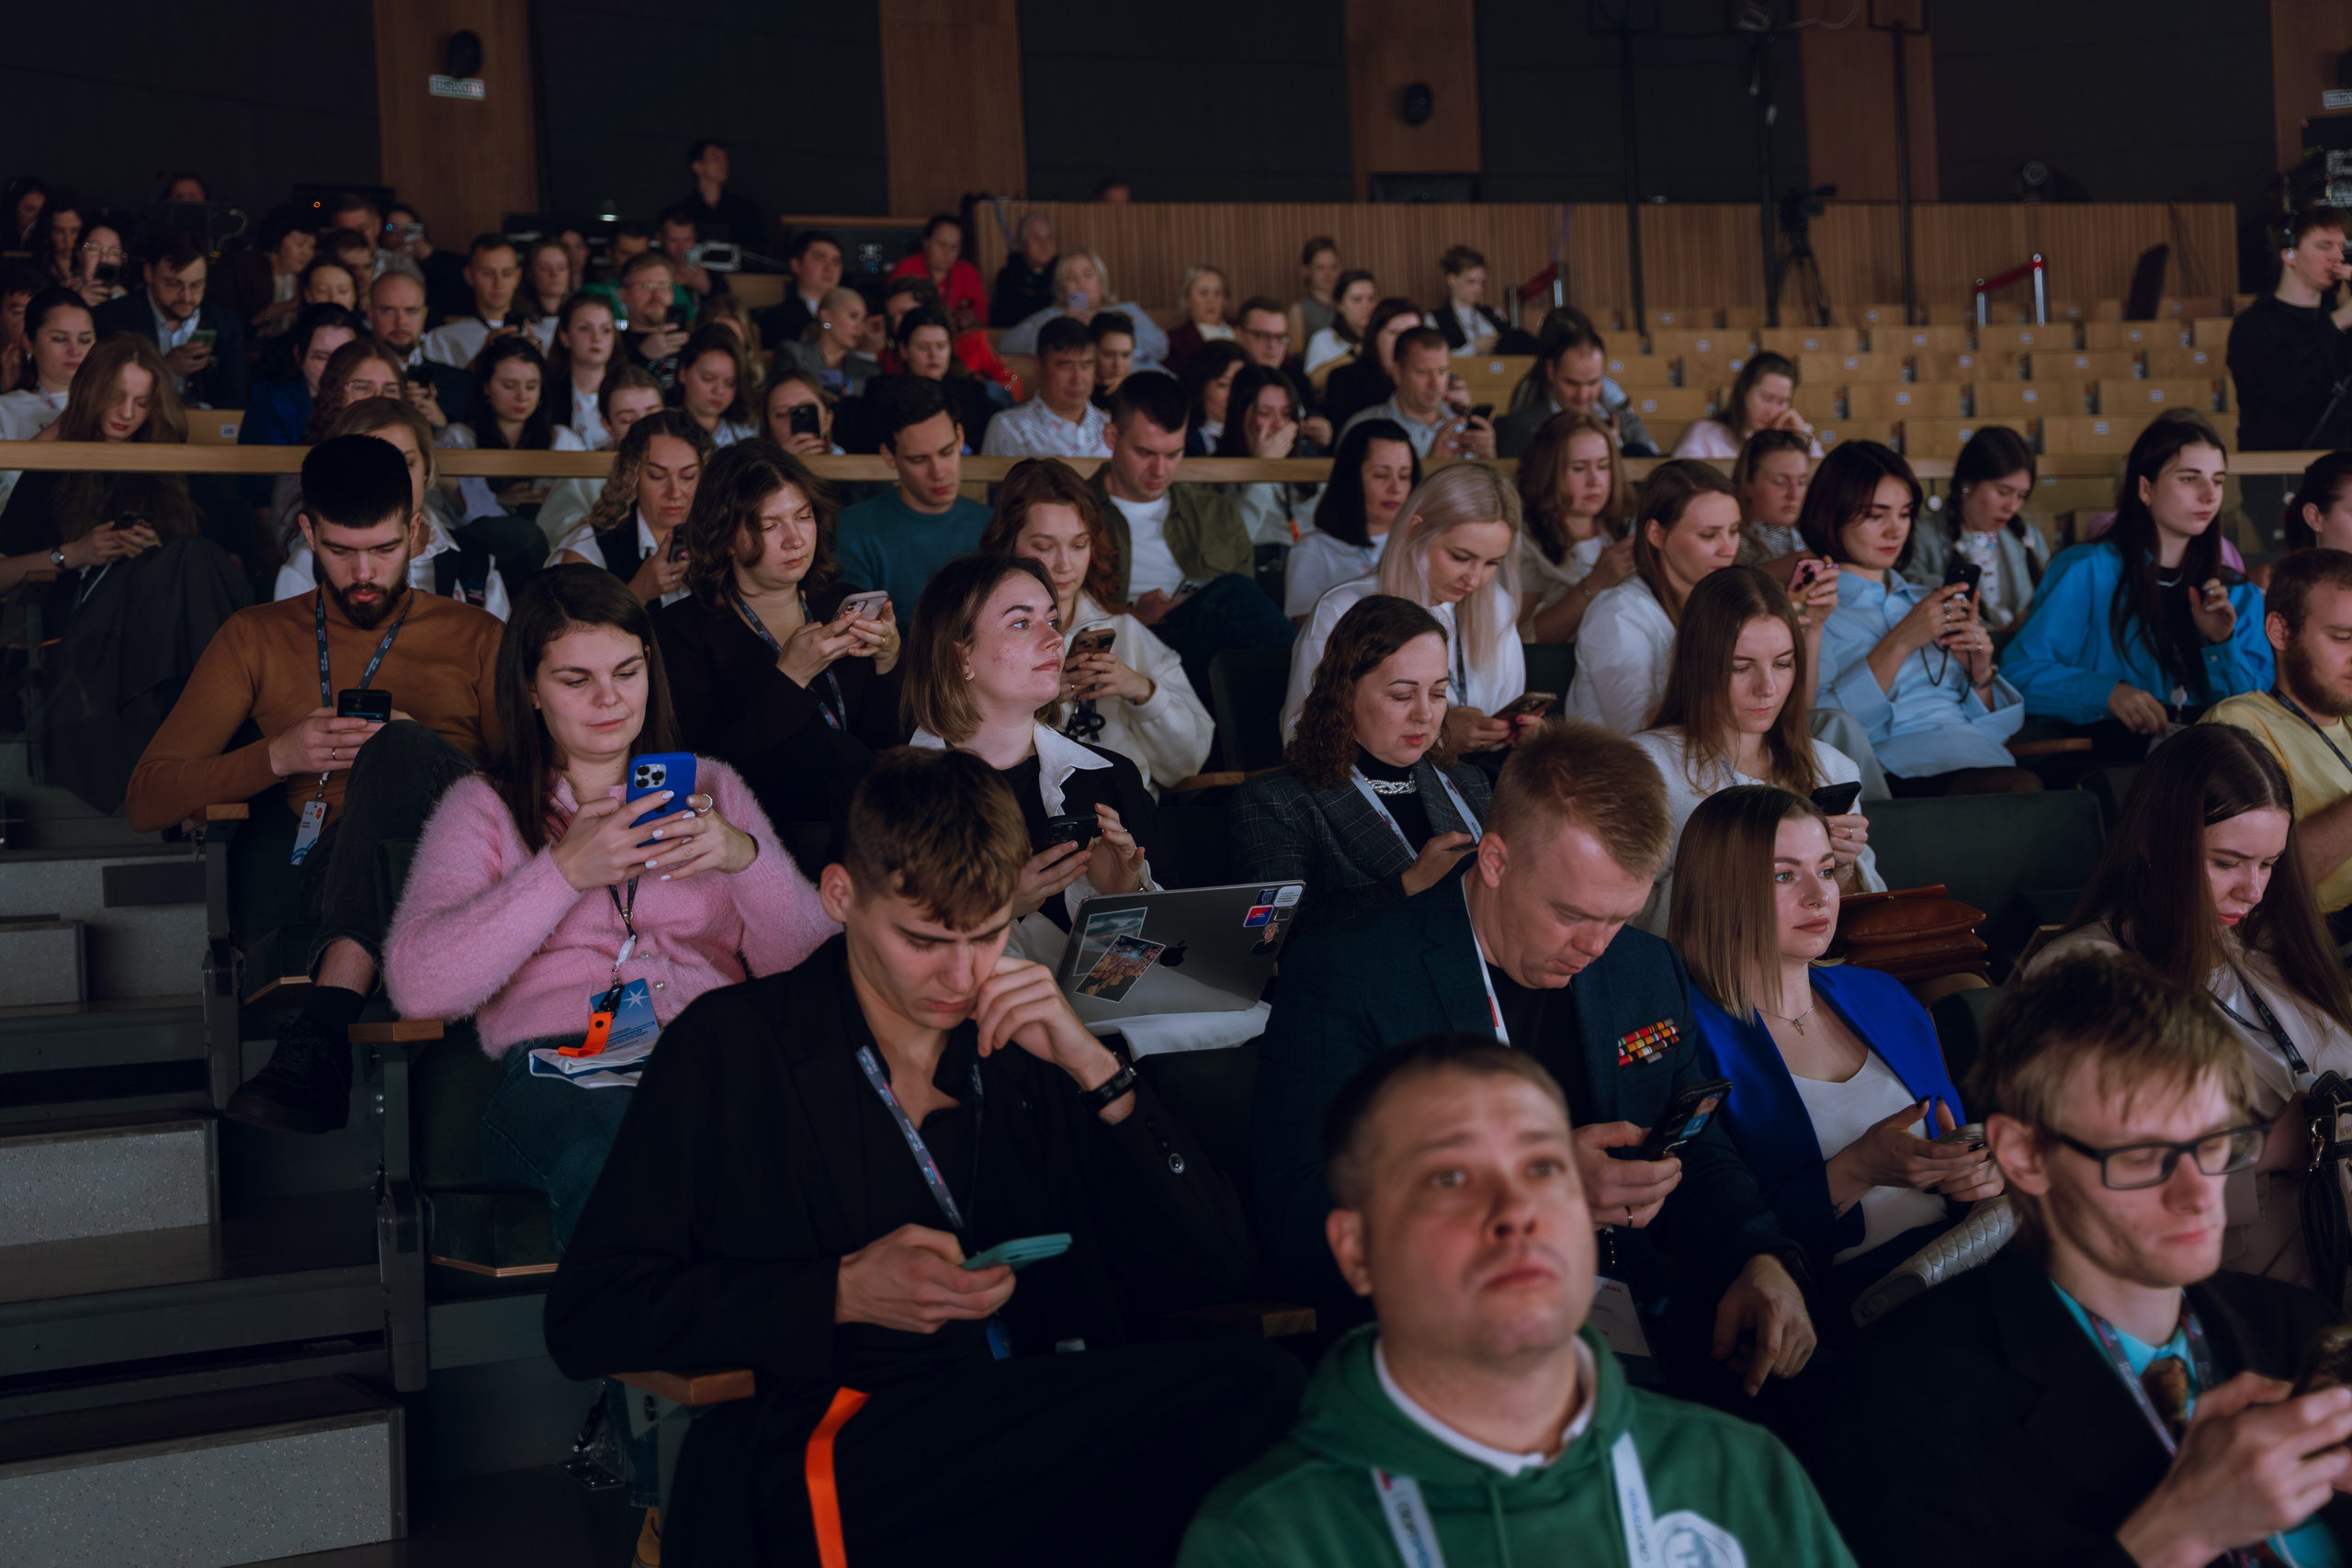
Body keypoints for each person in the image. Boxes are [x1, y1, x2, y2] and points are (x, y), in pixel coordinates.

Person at [543, 742, 1297, 1563]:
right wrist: (839, 1292)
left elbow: (1219, 1263)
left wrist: (1095, 1069)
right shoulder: (734, 1050)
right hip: (842, 1432)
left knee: (1260, 1388)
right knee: (1234, 1408)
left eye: (986, 935)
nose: (963, 972)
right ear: (841, 895)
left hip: (1027, 1416)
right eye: (926, 939)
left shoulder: (1025, 1045)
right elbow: (592, 1315)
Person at [1254, 724, 1819, 1391]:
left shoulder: (1645, 967)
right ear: (1494, 860)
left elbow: (1690, 1147)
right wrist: (1529, 1186)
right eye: (1572, 913)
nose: (1597, 946)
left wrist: (1756, 1257)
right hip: (1449, 1340)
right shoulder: (1349, 974)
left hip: (1637, 1316)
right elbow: (1299, 1219)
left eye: (1619, 917)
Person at [1182, 1032, 1853, 1568]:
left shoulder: (1740, 1470)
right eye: (1450, 1177)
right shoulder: (1267, 1540)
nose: (1516, 1213)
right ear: (1358, 1249)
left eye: (1543, 1167)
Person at [1826, 953, 2352, 1568]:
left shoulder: (2295, 1324)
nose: (2198, 1192)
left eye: (2215, 1143)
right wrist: (2178, 1528)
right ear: (2024, 1156)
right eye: (2143, 1155)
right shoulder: (1905, 1397)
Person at [384, 560, 831, 1238]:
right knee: (626, 1144)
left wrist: (744, 858)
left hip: (712, 1047)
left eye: (627, 672)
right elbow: (419, 985)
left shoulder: (713, 785)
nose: (610, 699)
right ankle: (667, 1340)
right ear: (531, 689)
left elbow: (809, 963)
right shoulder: (484, 806)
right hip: (564, 1069)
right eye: (576, 679)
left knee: (817, 1125)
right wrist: (562, 872)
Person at [126, 436, 504, 1134]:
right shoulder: (255, 637)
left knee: (403, 745)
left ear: (416, 529)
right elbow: (147, 795)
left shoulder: (477, 635)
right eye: (340, 550)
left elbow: (536, 789)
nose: (364, 573)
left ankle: (321, 1034)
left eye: (385, 549)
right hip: (337, 870)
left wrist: (415, 752)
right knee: (375, 827)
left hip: (474, 860)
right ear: (307, 532)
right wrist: (275, 755)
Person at [2030, 724, 2352, 1296]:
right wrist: (2269, 1151)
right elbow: (2089, 1186)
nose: (2253, 891)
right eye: (2228, 863)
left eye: (2269, 864)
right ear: (2153, 843)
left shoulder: (2266, 949)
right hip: (2237, 1289)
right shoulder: (2081, 975)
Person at [1675, 785, 1984, 1323]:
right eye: (1783, 875)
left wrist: (1979, 1174)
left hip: (1973, 1249)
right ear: (1722, 890)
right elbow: (1713, 1235)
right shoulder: (1689, 1037)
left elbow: (1959, 1131)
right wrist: (1858, 1168)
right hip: (1854, 1303)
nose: (1821, 897)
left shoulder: (1880, 993)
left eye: (1826, 869)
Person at [0, 334, 255, 809]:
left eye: (141, 402)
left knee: (190, 558)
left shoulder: (174, 465)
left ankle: (195, 753)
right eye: (116, 398)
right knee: (190, 557)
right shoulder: (53, 465)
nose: (127, 413)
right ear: (91, 392)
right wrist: (75, 553)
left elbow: (232, 567)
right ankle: (225, 747)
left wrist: (157, 554)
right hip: (90, 641)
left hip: (163, 640)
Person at [903, 555, 1157, 963]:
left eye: (1053, 621)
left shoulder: (1113, 775)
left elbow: (1151, 966)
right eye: (1022, 623)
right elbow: (871, 955)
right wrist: (994, 909)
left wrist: (1123, 894)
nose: (1056, 638)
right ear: (960, 658)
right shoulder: (887, 794)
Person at [654, 440, 900, 861]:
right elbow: (707, 769)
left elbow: (885, 743)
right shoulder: (680, 630)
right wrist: (790, 678)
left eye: (803, 517)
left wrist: (888, 659)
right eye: (770, 526)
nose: (794, 540)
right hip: (754, 833)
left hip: (862, 824)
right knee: (829, 750)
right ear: (726, 536)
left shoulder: (843, 602)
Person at [2007, 412, 2272, 756]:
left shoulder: (2238, 592)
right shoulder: (2086, 569)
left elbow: (2258, 718)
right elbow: (2019, 674)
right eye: (2190, 479)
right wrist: (2108, 693)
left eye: (2218, 480)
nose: (2210, 495)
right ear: (2146, 488)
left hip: (2215, 762)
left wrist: (2221, 643)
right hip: (2114, 754)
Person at [1634, 567, 1880, 933]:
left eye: (1782, 664)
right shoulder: (1646, 767)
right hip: (1694, 978)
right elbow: (1622, 919)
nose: (1767, 687)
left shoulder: (1833, 768)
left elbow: (1869, 918)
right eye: (1740, 667)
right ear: (1699, 666)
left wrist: (1840, 868)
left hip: (1813, 975)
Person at [1236, 594, 1490, 934]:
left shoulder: (1470, 782)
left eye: (1438, 693)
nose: (1425, 714)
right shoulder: (1277, 801)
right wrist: (1406, 888)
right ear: (1346, 695)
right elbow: (1272, 938)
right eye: (1402, 696)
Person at [1804, 440, 2037, 793]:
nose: (1895, 530)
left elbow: (1996, 727)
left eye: (1904, 513)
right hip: (1889, 773)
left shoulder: (1929, 598)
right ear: (1831, 513)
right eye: (1875, 514)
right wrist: (1900, 642)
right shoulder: (1813, 613)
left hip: (1980, 757)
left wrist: (1979, 671)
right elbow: (1821, 728)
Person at [978, 457, 1213, 794]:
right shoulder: (982, 634)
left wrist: (1142, 691)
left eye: (1078, 545)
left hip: (1127, 820)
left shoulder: (1125, 630)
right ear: (1008, 543)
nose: (1063, 565)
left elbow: (1189, 764)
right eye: (1043, 546)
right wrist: (1045, 697)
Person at [1084, 372, 1297, 696]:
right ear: (1112, 437)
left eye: (1173, 455)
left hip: (1204, 655)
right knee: (1234, 594)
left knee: (1239, 613)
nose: (1160, 471)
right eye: (1145, 453)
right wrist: (1135, 614)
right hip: (1125, 644)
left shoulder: (1217, 513)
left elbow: (1250, 619)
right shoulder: (1076, 511)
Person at [1285, 462, 1526, 749]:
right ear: (1415, 530)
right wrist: (1440, 736)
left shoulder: (1498, 606)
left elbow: (1507, 708)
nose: (1474, 578)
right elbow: (1302, 737)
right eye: (1460, 556)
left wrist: (1512, 732)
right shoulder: (1343, 609)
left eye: (1492, 563)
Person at [2203, 548, 2352, 932]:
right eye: (2341, 637)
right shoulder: (2237, 725)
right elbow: (2258, 880)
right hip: (2304, 940)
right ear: (2280, 632)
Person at [273, 396, 510, 619]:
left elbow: (499, 652)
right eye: (372, 464)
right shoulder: (308, 565)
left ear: (427, 466)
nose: (394, 479)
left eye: (406, 463)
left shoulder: (474, 559)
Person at [1565, 461, 1744, 734]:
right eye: (1709, 535)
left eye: (1734, 531)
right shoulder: (1617, 614)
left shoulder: (1726, 602)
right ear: (1657, 535)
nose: (1728, 549)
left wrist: (1809, 628)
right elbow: (1639, 734)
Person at [834, 376, 994, 612]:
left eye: (946, 451)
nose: (938, 472)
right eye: (918, 459)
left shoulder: (994, 525)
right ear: (889, 456)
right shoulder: (854, 530)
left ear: (960, 437)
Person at [550, 411, 713, 606]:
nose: (675, 492)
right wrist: (638, 591)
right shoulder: (590, 547)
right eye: (657, 476)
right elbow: (571, 631)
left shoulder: (720, 536)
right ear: (632, 475)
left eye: (688, 476)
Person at [1900, 424, 2052, 632]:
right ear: (1966, 485)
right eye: (2002, 492)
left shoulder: (2028, 535)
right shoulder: (1919, 538)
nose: (2012, 506)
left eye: (2022, 495)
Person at [2229, 206, 2352, 456]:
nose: (2338, 256)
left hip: (2341, 473)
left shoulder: (2340, 313)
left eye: (2342, 247)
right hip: (2278, 477)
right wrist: (2338, 321)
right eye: (2324, 246)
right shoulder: (2253, 324)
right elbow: (2280, 384)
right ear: (2289, 253)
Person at [436, 336, 586, 536]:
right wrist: (500, 500)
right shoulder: (458, 438)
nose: (523, 396)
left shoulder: (563, 439)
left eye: (532, 386)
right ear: (486, 386)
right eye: (509, 385)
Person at [1283, 418, 1419, 622]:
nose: (1396, 488)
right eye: (1381, 475)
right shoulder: (1313, 549)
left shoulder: (1421, 543)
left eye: (1404, 475)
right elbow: (1310, 636)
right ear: (1351, 477)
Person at [91, 231, 246, 408]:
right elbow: (105, 393)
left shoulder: (224, 321)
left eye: (196, 285)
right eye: (174, 284)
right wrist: (165, 369)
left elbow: (234, 400)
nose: (186, 297)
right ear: (149, 273)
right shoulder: (114, 318)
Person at [1516, 410, 1634, 643]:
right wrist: (1595, 583)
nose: (1595, 481)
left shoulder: (1624, 526)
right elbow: (1523, 638)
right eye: (1579, 468)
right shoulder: (1525, 542)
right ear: (1548, 472)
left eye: (1603, 466)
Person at [1496, 324, 1659, 459]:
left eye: (1593, 382)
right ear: (1551, 371)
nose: (1583, 394)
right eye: (1572, 383)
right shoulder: (1523, 427)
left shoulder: (1624, 422)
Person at [1336, 326, 1497, 462]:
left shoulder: (1464, 425)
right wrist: (1431, 466)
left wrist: (1489, 457)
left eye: (1442, 372)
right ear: (1398, 372)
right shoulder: (1363, 428)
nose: (1435, 384)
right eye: (1423, 373)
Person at [996, 250, 1170, 369]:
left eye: (1088, 275)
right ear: (1060, 289)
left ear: (1101, 281)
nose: (1081, 283)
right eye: (1071, 278)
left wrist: (1110, 327)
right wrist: (1059, 326)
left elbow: (1162, 347)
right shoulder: (1052, 315)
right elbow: (1006, 343)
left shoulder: (1126, 311)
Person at [1215, 363, 1324, 548]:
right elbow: (1230, 547)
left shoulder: (1312, 476)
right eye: (1265, 413)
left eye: (1287, 413)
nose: (1279, 424)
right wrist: (1263, 469)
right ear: (1239, 417)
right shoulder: (1208, 478)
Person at [237, 304, 358, 448]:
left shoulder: (371, 396)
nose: (334, 366)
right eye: (321, 357)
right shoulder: (270, 403)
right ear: (299, 356)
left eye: (344, 357)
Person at [365, 269, 472, 429]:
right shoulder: (353, 379)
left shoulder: (459, 384)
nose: (400, 322)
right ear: (370, 314)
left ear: (424, 314)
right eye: (388, 310)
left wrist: (441, 425)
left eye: (410, 311)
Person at [1671, 352, 1817, 460]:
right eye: (1767, 398)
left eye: (1782, 401)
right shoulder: (1703, 435)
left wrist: (1801, 438)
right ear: (1744, 392)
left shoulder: (1790, 440)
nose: (1773, 411)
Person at [892, 304, 998, 447]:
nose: (933, 355)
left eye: (941, 346)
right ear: (903, 350)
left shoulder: (974, 394)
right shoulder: (886, 396)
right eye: (923, 347)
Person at [420, 234, 526, 371]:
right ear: (469, 275)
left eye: (507, 274)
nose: (498, 284)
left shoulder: (540, 337)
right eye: (487, 273)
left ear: (518, 276)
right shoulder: (442, 339)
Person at [0, 287, 91, 442]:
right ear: (29, 342)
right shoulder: (5, 409)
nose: (75, 351)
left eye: (85, 340)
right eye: (60, 339)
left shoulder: (119, 406)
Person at [1323, 298, 1422, 432]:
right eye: (1396, 333)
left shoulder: (1433, 379)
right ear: (1375, 334)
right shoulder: (1344, 379)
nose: (1404, 342)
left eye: (1412, 334)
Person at [221, 206, 317, 338]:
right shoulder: (244, 269)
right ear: (277, 240)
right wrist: (288, 306)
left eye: (312, 247)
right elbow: (255, 319)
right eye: (300, 244)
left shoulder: (306, 276)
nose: (307, 253)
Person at [775, 286, 878, 403]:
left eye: (863, 320)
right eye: (853, 316)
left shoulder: (869, 371)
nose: (860, 327)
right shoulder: (792, 354)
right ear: (826, 315)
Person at [886, 213, 988, 330]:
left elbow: (983, 322)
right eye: (942, 245)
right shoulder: (907, 267)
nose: (947, 253)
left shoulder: (968, 272)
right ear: (926, 242)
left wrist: (972, 322)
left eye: (954, 247)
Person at [544, 291, 616, 446]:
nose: (597, 338)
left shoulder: (630, 389)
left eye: (606, 330)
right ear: (565, 337)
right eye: (584, 328)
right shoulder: (546, 392)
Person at [1733, 427, 1812, 565]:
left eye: (1801, 482)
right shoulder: (1731, 542)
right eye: (1779, 482)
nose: (1794, 495)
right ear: (1747, 484)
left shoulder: (1811, 534)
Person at [675, 139, 769, 254]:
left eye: (726, 159)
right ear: (697, 166)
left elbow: (758, 249)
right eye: (716, 159)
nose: (724, 163)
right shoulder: (682, 212)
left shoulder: (745, 209)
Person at [615, 251, 690, 390]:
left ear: (672, 294)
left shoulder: (690, 344)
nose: (656, 294)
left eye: (663, 286)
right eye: (644, 285)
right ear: (623, 294)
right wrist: (642, 357)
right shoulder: (612, 342)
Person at [672, 323, 757, 446]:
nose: (719, 390)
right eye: (708, 379)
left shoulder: (748, 433)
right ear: (683, 373)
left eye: (730, 383)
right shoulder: (661, 427)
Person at [1433, 244, 1512, 355]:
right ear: (1452, 279)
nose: (1478, 289)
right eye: (1471, 281)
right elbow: (1434, 359)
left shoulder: (1493, 314)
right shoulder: (1435, 319)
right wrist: (1474, 348)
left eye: (1482, 283)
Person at [1301, 268, 1377, 378]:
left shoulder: (1383, 337)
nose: (1367, 306)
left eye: (1372, 298)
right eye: (1357, 300)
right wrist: (1356, 352)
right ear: (1340, 305)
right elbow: (1313, 380)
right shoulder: (1324, 338)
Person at [1164, 262, 1235, 375]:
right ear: (1186, 299)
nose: (1211, 301)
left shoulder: (1241, 332)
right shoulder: (1175, 340)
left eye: (1217, 294)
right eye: (1204, 293)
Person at [991, 209, 1058, 327]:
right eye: (1037, 238)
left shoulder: (1063, 272)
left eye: (1049, 237)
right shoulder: (1008, 276)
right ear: (1022, 244)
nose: (1044, 244)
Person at [1182, 339, 1248, 456]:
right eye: (1223, 385)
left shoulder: (1256, 435)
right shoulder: (1186, 441)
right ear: (1199, 387)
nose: (1232, 394)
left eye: (1239, 385)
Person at [761, 367, 841, 458]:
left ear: (827, 420)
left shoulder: (847, 465)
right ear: (768, 427)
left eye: (806, 410)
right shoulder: (752, 469)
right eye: (781, 413)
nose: (795, 419)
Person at [1289, 236, 1342, 350]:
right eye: (1320, 268)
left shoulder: (1347, 304)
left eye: (1333, 267)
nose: (1328, 274)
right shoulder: (1298, 311)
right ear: (1306, 270)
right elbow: (1295, 354)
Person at [517, 238, 572, 344]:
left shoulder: (578, 313)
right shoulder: (520, 317)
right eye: (544, 268)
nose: (554, 274)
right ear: (530, 272)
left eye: (561, 268)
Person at [1088, 310, 1136, 405]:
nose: (1118, 364)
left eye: (1125, 355)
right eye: (1108, 354)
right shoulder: (1080, 392)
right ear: (1092, 352)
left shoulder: (1138, 389)